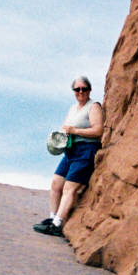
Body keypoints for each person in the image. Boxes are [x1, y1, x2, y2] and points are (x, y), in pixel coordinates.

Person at [33, 76, 103, 237]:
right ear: (73, 92)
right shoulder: (73, 108)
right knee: (56, 184)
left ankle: (58, 224)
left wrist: (75, 131)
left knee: (69, 188)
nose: (80, 92)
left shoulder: (94, 107)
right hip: (71, 150)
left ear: (89, 90)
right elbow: (67, 128)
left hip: (86, 149)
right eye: (77, 89)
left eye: (83, 89)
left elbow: (99, 131)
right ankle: (52, 218)